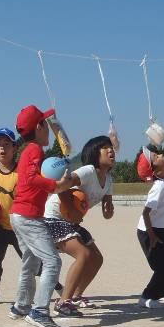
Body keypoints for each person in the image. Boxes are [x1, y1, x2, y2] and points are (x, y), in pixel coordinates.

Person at [0, 128, 63, 306]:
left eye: (7, 144)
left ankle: (57, 286)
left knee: (34, 261)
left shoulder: (23, 171)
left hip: (21, 226)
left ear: (15, 148)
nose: (3, 148)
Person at [8, 105, 75, 327]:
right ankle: (39, 311)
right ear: (38, 127)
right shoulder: (35, 149)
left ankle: (21, 306)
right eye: (45, 124)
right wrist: (57, 186)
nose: (48, 128)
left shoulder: (29, 150)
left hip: (19, 214)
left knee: (31, 260)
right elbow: (31, 178)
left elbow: (28, 179)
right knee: (53, 261)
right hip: (28, 216)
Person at [44, 136, 115, 317]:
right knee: (83, 254)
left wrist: (109, 208)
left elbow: (107, 213)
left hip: (71, 220)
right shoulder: (88, 171)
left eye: (111, 147)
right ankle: (62, 302)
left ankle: (75, 296)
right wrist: (71, 210)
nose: (111, 150)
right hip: (54, 217)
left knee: (97, 258)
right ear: (94, 153)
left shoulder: (108, 180)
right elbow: (63, 187)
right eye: (105, 148)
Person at [135, 146, 164, 308]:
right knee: (162, 267)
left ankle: (159, 294)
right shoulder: (158, 187)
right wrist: (152, 235)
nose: (161, 154)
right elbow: (146, 213)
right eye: (156, 157)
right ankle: (146, 297)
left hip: (159, 229)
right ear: (154, 169)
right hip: (149, 231)